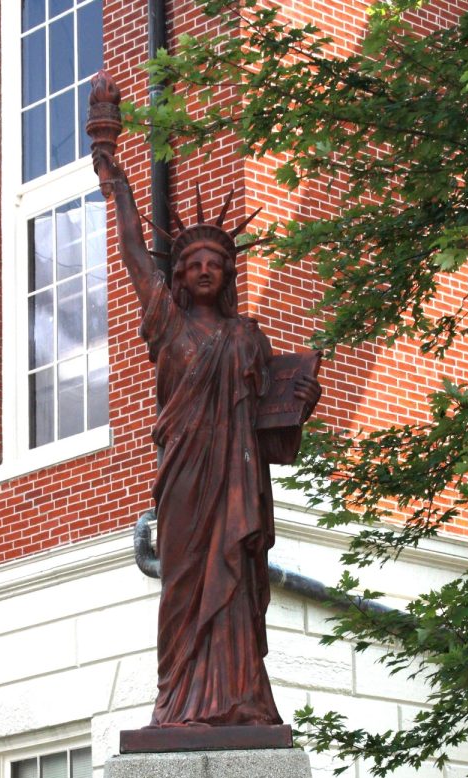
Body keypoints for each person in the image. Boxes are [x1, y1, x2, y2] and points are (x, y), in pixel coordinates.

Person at [93, 148, 320, 727]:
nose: (202, 269)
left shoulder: (247, 336)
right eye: (192, 260)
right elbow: (132, 254)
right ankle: (177, 701)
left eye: (213, 262)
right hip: (185, 476)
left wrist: (301, 403)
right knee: (183, 584)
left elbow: (271, 427)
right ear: (179, 273)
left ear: (226, 274)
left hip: (238, 480)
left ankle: (239, 699)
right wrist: (115, 183)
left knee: (236, 586)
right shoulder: (164, 321)